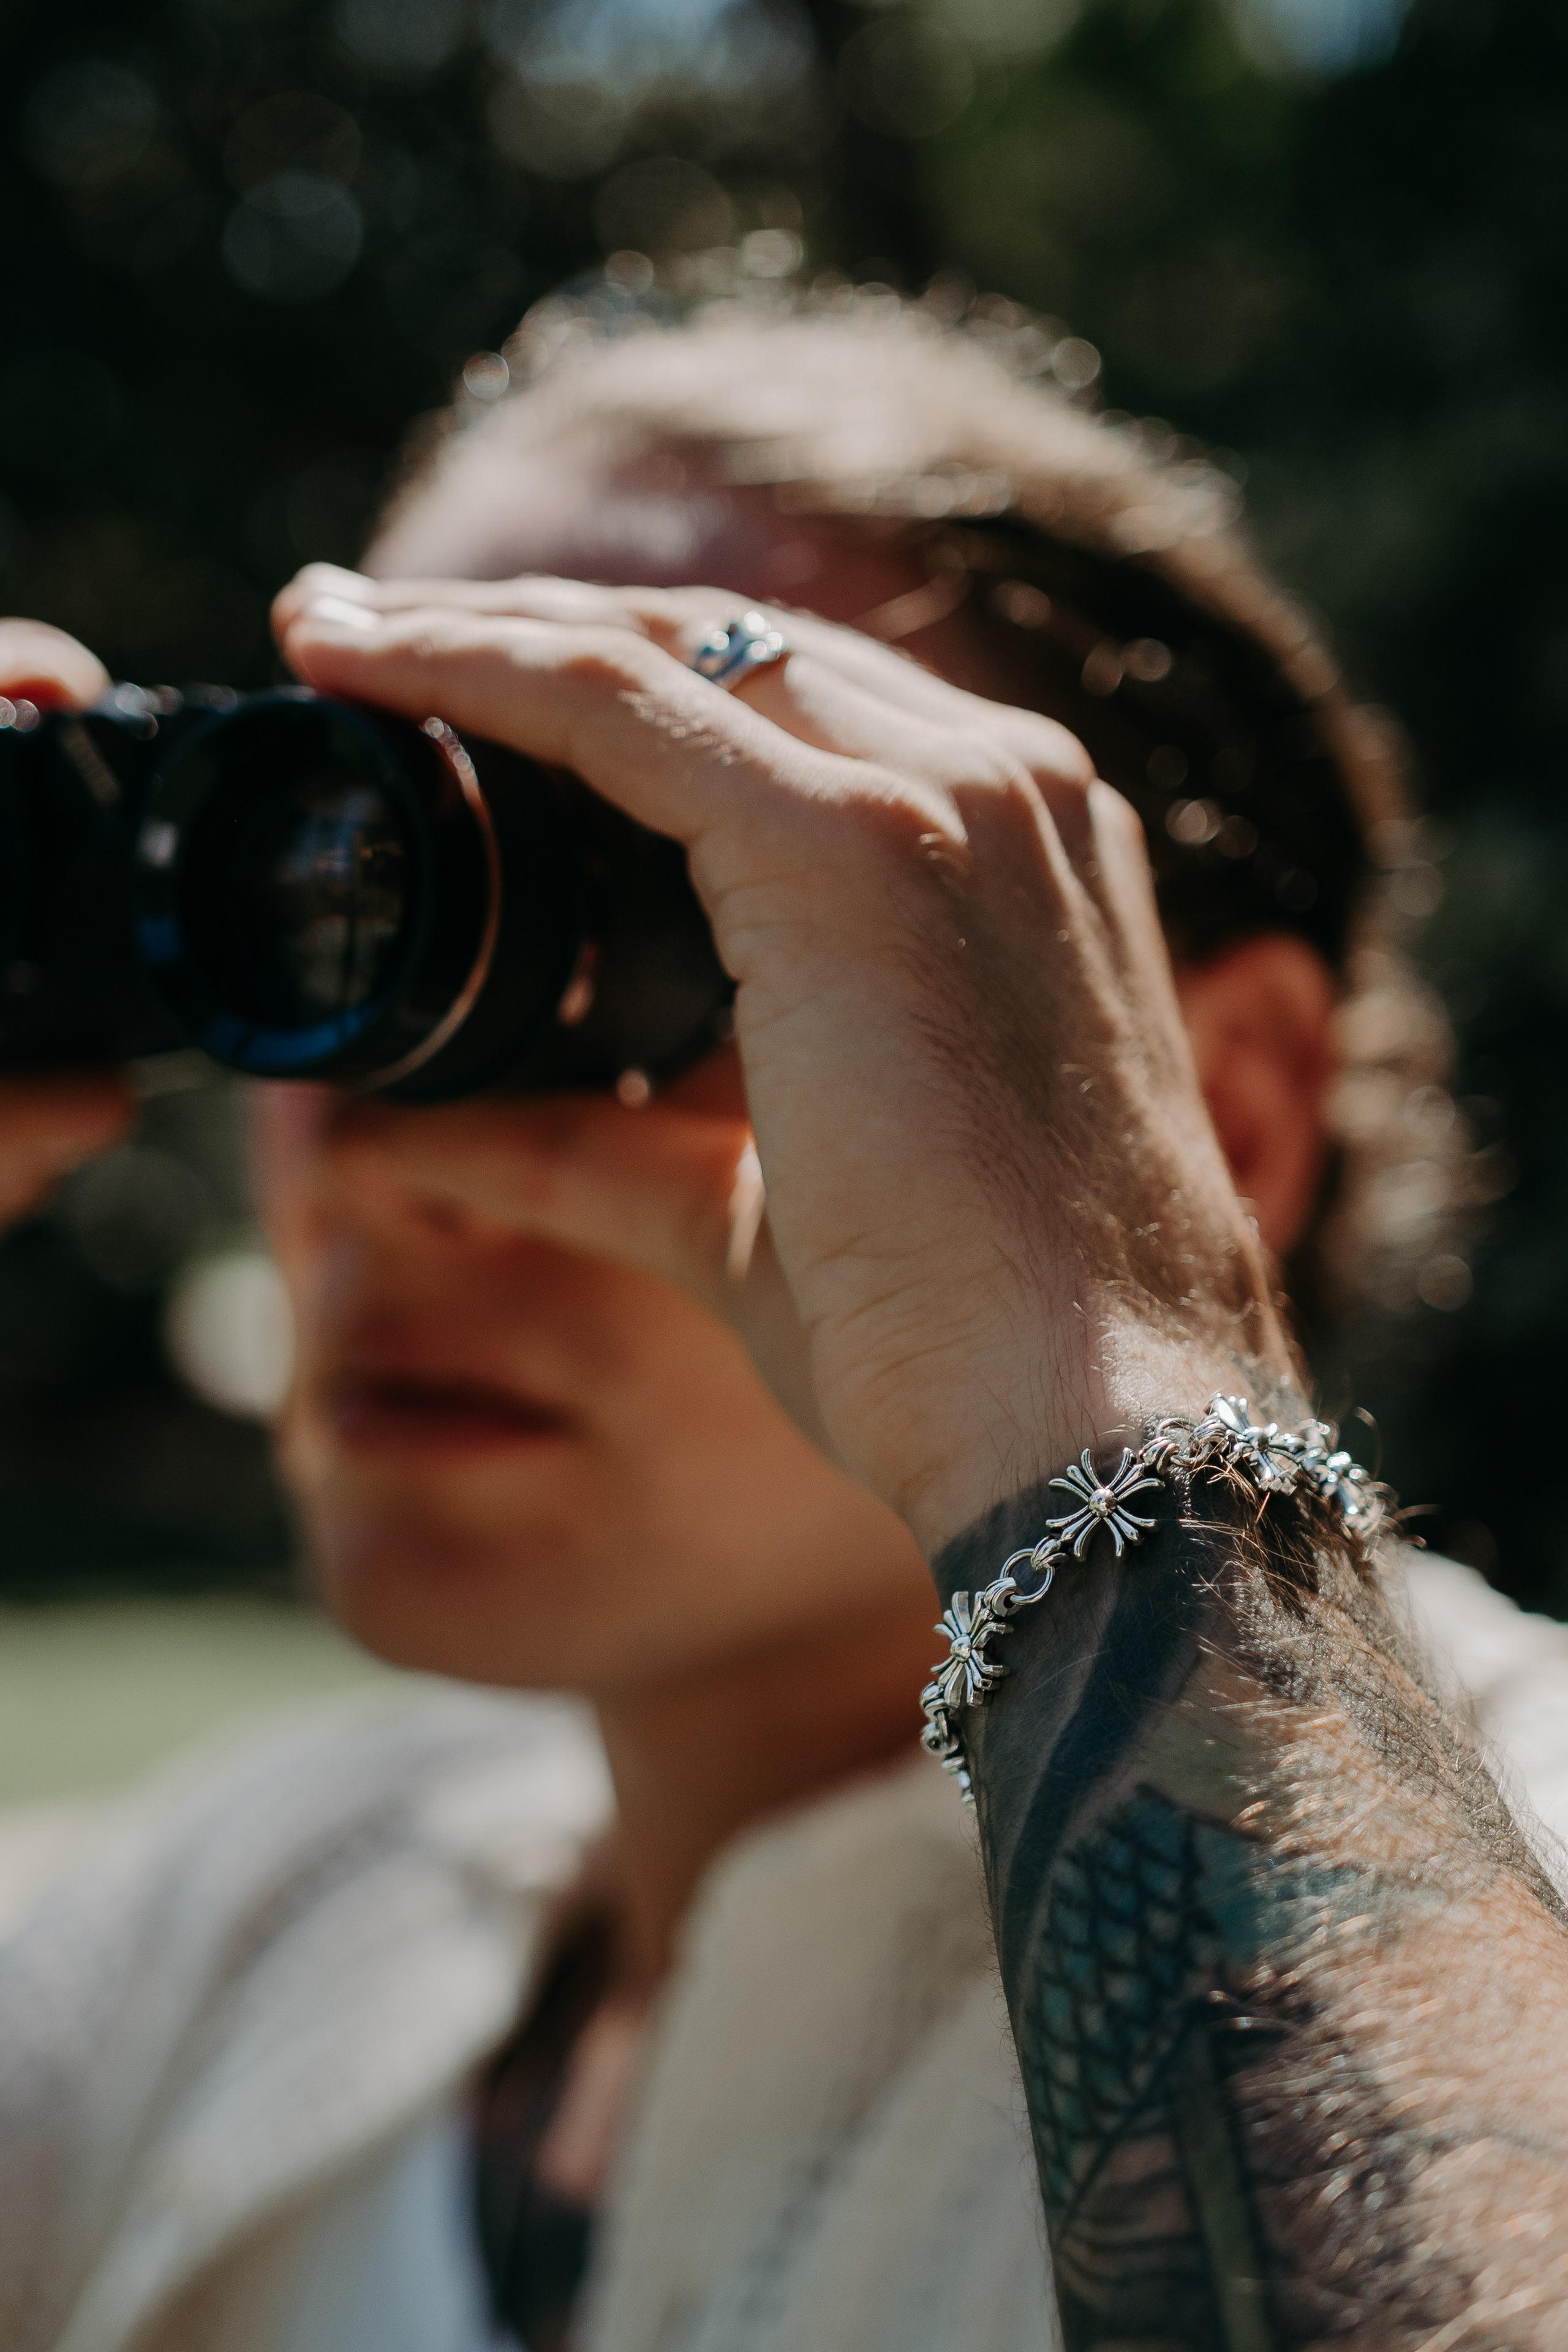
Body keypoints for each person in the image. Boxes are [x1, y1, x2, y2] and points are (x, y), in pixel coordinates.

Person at [3, 285, 1568, 2352]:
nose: (387, 1161)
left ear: (1232, 1109)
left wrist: (1106, 1384)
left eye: (706, 918)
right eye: (350, 925)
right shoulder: (262, 1912)